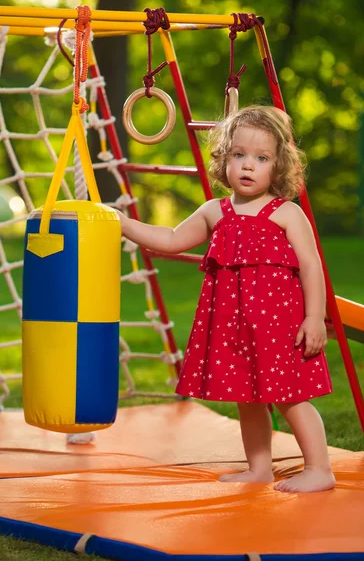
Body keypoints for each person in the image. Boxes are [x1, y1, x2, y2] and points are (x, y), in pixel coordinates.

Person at [117, 105, 336, 494]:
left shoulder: (285, 213)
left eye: (261, 158)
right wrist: (123, 224)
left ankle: (319, 468)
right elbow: (169, 240)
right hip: (232, 326)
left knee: (291, 398)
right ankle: (259, 468)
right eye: (239, 155)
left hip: (278, 326)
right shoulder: (214, 212)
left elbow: (311, 266)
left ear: (278, 166)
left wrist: (315, 317)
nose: (248, 166)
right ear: (224, 160)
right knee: (247, 398)